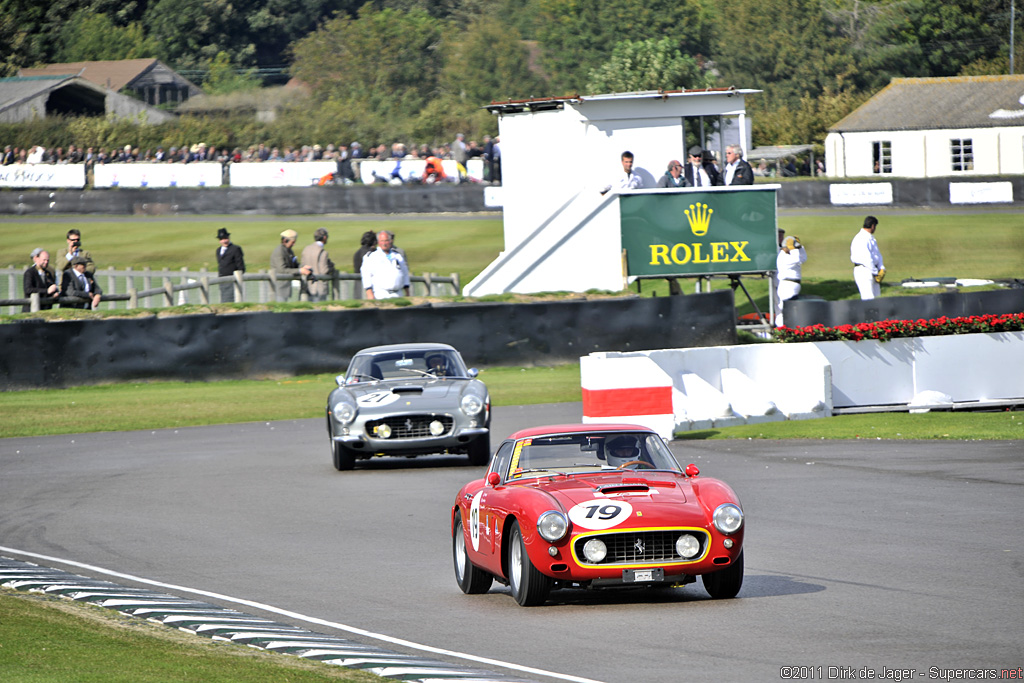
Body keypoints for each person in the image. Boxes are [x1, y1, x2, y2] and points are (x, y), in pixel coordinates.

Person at [360, 229, 410, 299]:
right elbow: (366, 275)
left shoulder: (397, 256)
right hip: (381, 294)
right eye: (382, 241)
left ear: (390, 241)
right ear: (378, 242)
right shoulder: (371, 257)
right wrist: (369, 293)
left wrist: (407, 292)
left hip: (398, 294)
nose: (384, 243)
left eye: (386, 240)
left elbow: (405, 274)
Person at [270, 229, 312, 302]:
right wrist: (300, 271)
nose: (294, 244)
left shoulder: (289, 250)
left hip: (286, 287)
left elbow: (294, 264)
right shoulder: (279, 252)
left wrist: (302, 267)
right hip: (280, 288)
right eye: (292, 242)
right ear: (285, 240)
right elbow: (282, 270)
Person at [775, 235, 807, 327]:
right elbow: (796, 258)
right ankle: (780, 327)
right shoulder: (783, 257)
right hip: (787, 285)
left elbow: (803, 259)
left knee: (788, 307)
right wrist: (793, 249)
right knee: (786, 307)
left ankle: (784, 327)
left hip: (792, 284)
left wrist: (800, 248)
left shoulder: (791, 255)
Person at [851, 216, 885, 300]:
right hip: (864, 271)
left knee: (876, 298)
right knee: (868, 298)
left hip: (872, 270)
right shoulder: (861, 238)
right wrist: (875, 272)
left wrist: (882, 268)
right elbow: (866, 258)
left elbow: (877, 255)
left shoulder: (870, 238)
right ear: (873, 226)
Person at [301, 227, 335, 302]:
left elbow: (302, 265)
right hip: (319, 287)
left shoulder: (306, 249)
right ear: (325, 237)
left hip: (307, 286)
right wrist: (331, 268)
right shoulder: (323, 252)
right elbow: (324, 270)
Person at [215, 227, 245, 303]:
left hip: (232, 279)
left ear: (228, 238)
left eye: (225, 238)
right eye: (222, 239)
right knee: (224, 299)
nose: (224, 241)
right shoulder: (218, 250)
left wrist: (237, 277)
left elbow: (240, 265)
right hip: (222, 278)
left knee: (231, 299)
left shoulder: (235, 249)